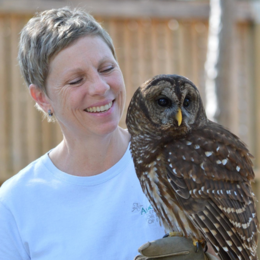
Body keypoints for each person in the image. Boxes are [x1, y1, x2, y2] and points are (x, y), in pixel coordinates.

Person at [0, 7, 219, 260]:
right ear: (41, 98)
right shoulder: (16, 204)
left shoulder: (182, 163)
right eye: (76, 80)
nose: (101, 87)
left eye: (106, 69)